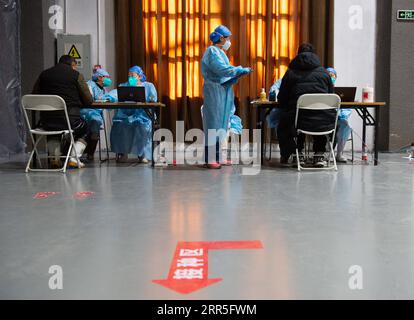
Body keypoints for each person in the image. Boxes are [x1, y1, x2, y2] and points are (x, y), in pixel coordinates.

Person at [201, 25, 253, 169]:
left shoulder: (220, 52)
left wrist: (238, 74)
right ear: (221, 38)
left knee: (222, 125)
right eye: (227, 38)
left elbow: (226, 75)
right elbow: (222, 70)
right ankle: (210, 158)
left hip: (223, 90)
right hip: (214, 90)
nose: (229, 41)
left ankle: (219, 157)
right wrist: (238, 70)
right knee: (213, 125)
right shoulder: (212, 51)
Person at [277, 43, 334, 168]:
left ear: (297, 55)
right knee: (320, 118)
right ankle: (319, 154)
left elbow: (282, 98)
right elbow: (331, 96)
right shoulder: (324, 73)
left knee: (286, 122)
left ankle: (297, 153)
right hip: (323, 119)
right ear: (314, 55)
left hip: (298, 119)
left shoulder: (291, 73)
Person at [32, 55, 93, 169]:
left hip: (47, 121)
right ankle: (74, 158)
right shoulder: (76, 75)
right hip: (69, 119)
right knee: (86, 129)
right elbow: (88, 99)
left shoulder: (44, 74)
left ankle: (55, 159)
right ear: (73, 65)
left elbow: (34, 94)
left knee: (53, 130)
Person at [110, 66, 157, 163]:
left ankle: (142, 154)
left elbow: (153, 97)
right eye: (129, 75)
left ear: (139, 76)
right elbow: (115, 94)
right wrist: (108, 98)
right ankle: (123, 153)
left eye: (133, 75)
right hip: (125, 115)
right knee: (120, 125)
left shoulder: (148, 86)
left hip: (143, 115)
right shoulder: (124, 86)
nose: (130, 77)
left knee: (141, 126)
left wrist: (151, 99)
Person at [81, 67, 113, 160]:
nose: (108, 79)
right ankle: (86, 152)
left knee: (96, 125)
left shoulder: (103, 89)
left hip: (96, 113)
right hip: (87, 112)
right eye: (106, 77)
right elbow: (89, 100)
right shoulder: (89, 85)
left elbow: (106, 98)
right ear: (99, 77)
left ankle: (90, 154)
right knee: (95, 122)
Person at [327, 67, 353, 163]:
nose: (331, 77)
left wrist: (342, 115)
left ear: (336, 77)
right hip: (326, 118)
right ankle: (328, 153)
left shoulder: (341, 93)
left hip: (338, 119)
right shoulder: (322, 90)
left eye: (332, 75)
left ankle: (339, 154)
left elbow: (346, 108)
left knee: (345, 125)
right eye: (328, 75)